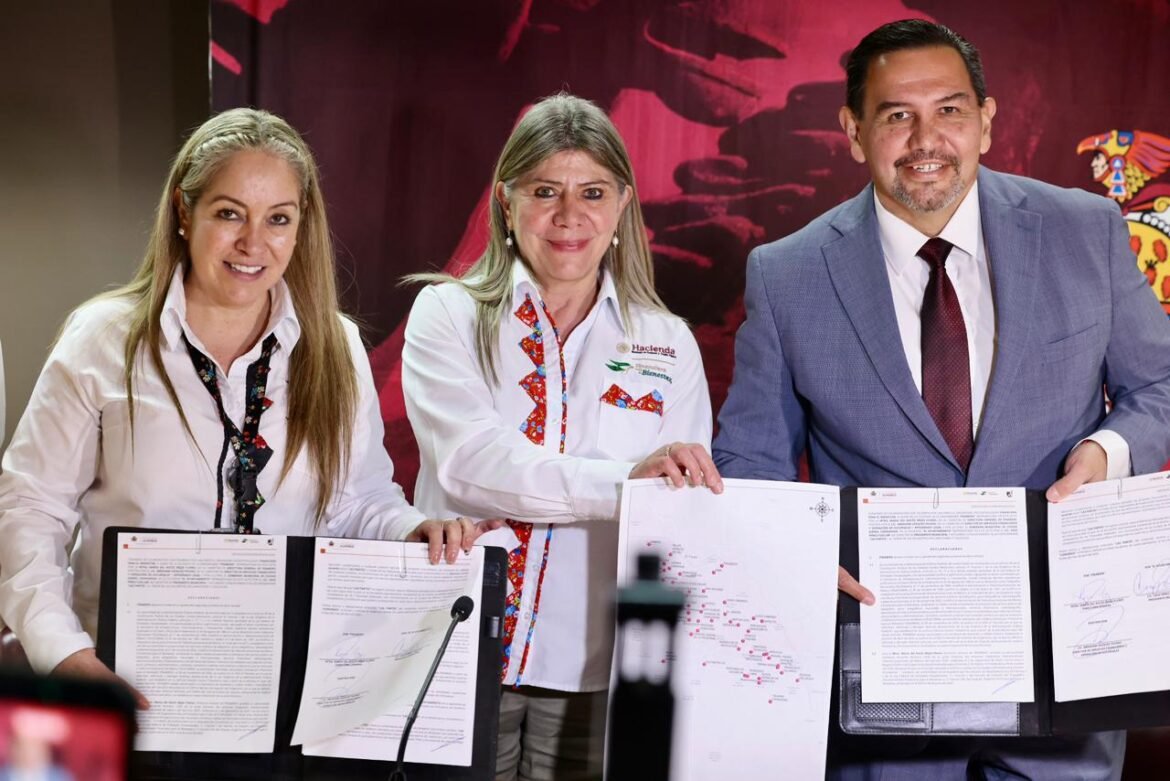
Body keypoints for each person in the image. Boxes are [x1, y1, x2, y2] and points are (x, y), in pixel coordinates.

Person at [712, 18, 1170, 781]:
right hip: (883, 686)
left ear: (985, 121)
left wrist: (1105, 451)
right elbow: (752, 461)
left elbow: (1159, 384)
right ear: (853, 131)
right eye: (897, 115)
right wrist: (797, 554)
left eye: (949, 110)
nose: (926, 140)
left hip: (1063, 670)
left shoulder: (1086, 230)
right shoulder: (787, 274)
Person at [0, 108, 490, 703]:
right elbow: (29, 508)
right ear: (185, 213)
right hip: (125, 682)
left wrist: (414, 529)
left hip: (278, 688)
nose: (253, 243)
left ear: (300, 226)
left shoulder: (334, 346)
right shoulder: (104, 338)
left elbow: (357, 501)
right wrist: (64, 654)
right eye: (229, 213)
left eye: (278, 218)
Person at [400, 93, 723, 781]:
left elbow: (678, 512)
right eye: (545, 191)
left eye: (593, 192)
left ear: (623, 205)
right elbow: (470, 464)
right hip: (453, 650)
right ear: (506, 201)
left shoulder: (667, 342)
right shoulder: (447, 313)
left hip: (593, 671)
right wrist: (625, 482)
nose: (569, 215)